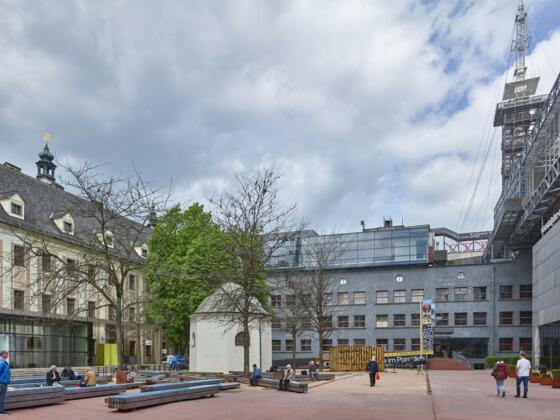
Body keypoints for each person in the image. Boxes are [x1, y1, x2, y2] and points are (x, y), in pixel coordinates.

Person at [0, 351, 10, 416]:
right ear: (3, 355)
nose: (7, 355)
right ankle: (1, 410)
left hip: (3, 382)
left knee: (1, 397)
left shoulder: (3, 362)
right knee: (2, 397)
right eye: (6, 354)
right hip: (2, 382)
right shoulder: (2, 362)